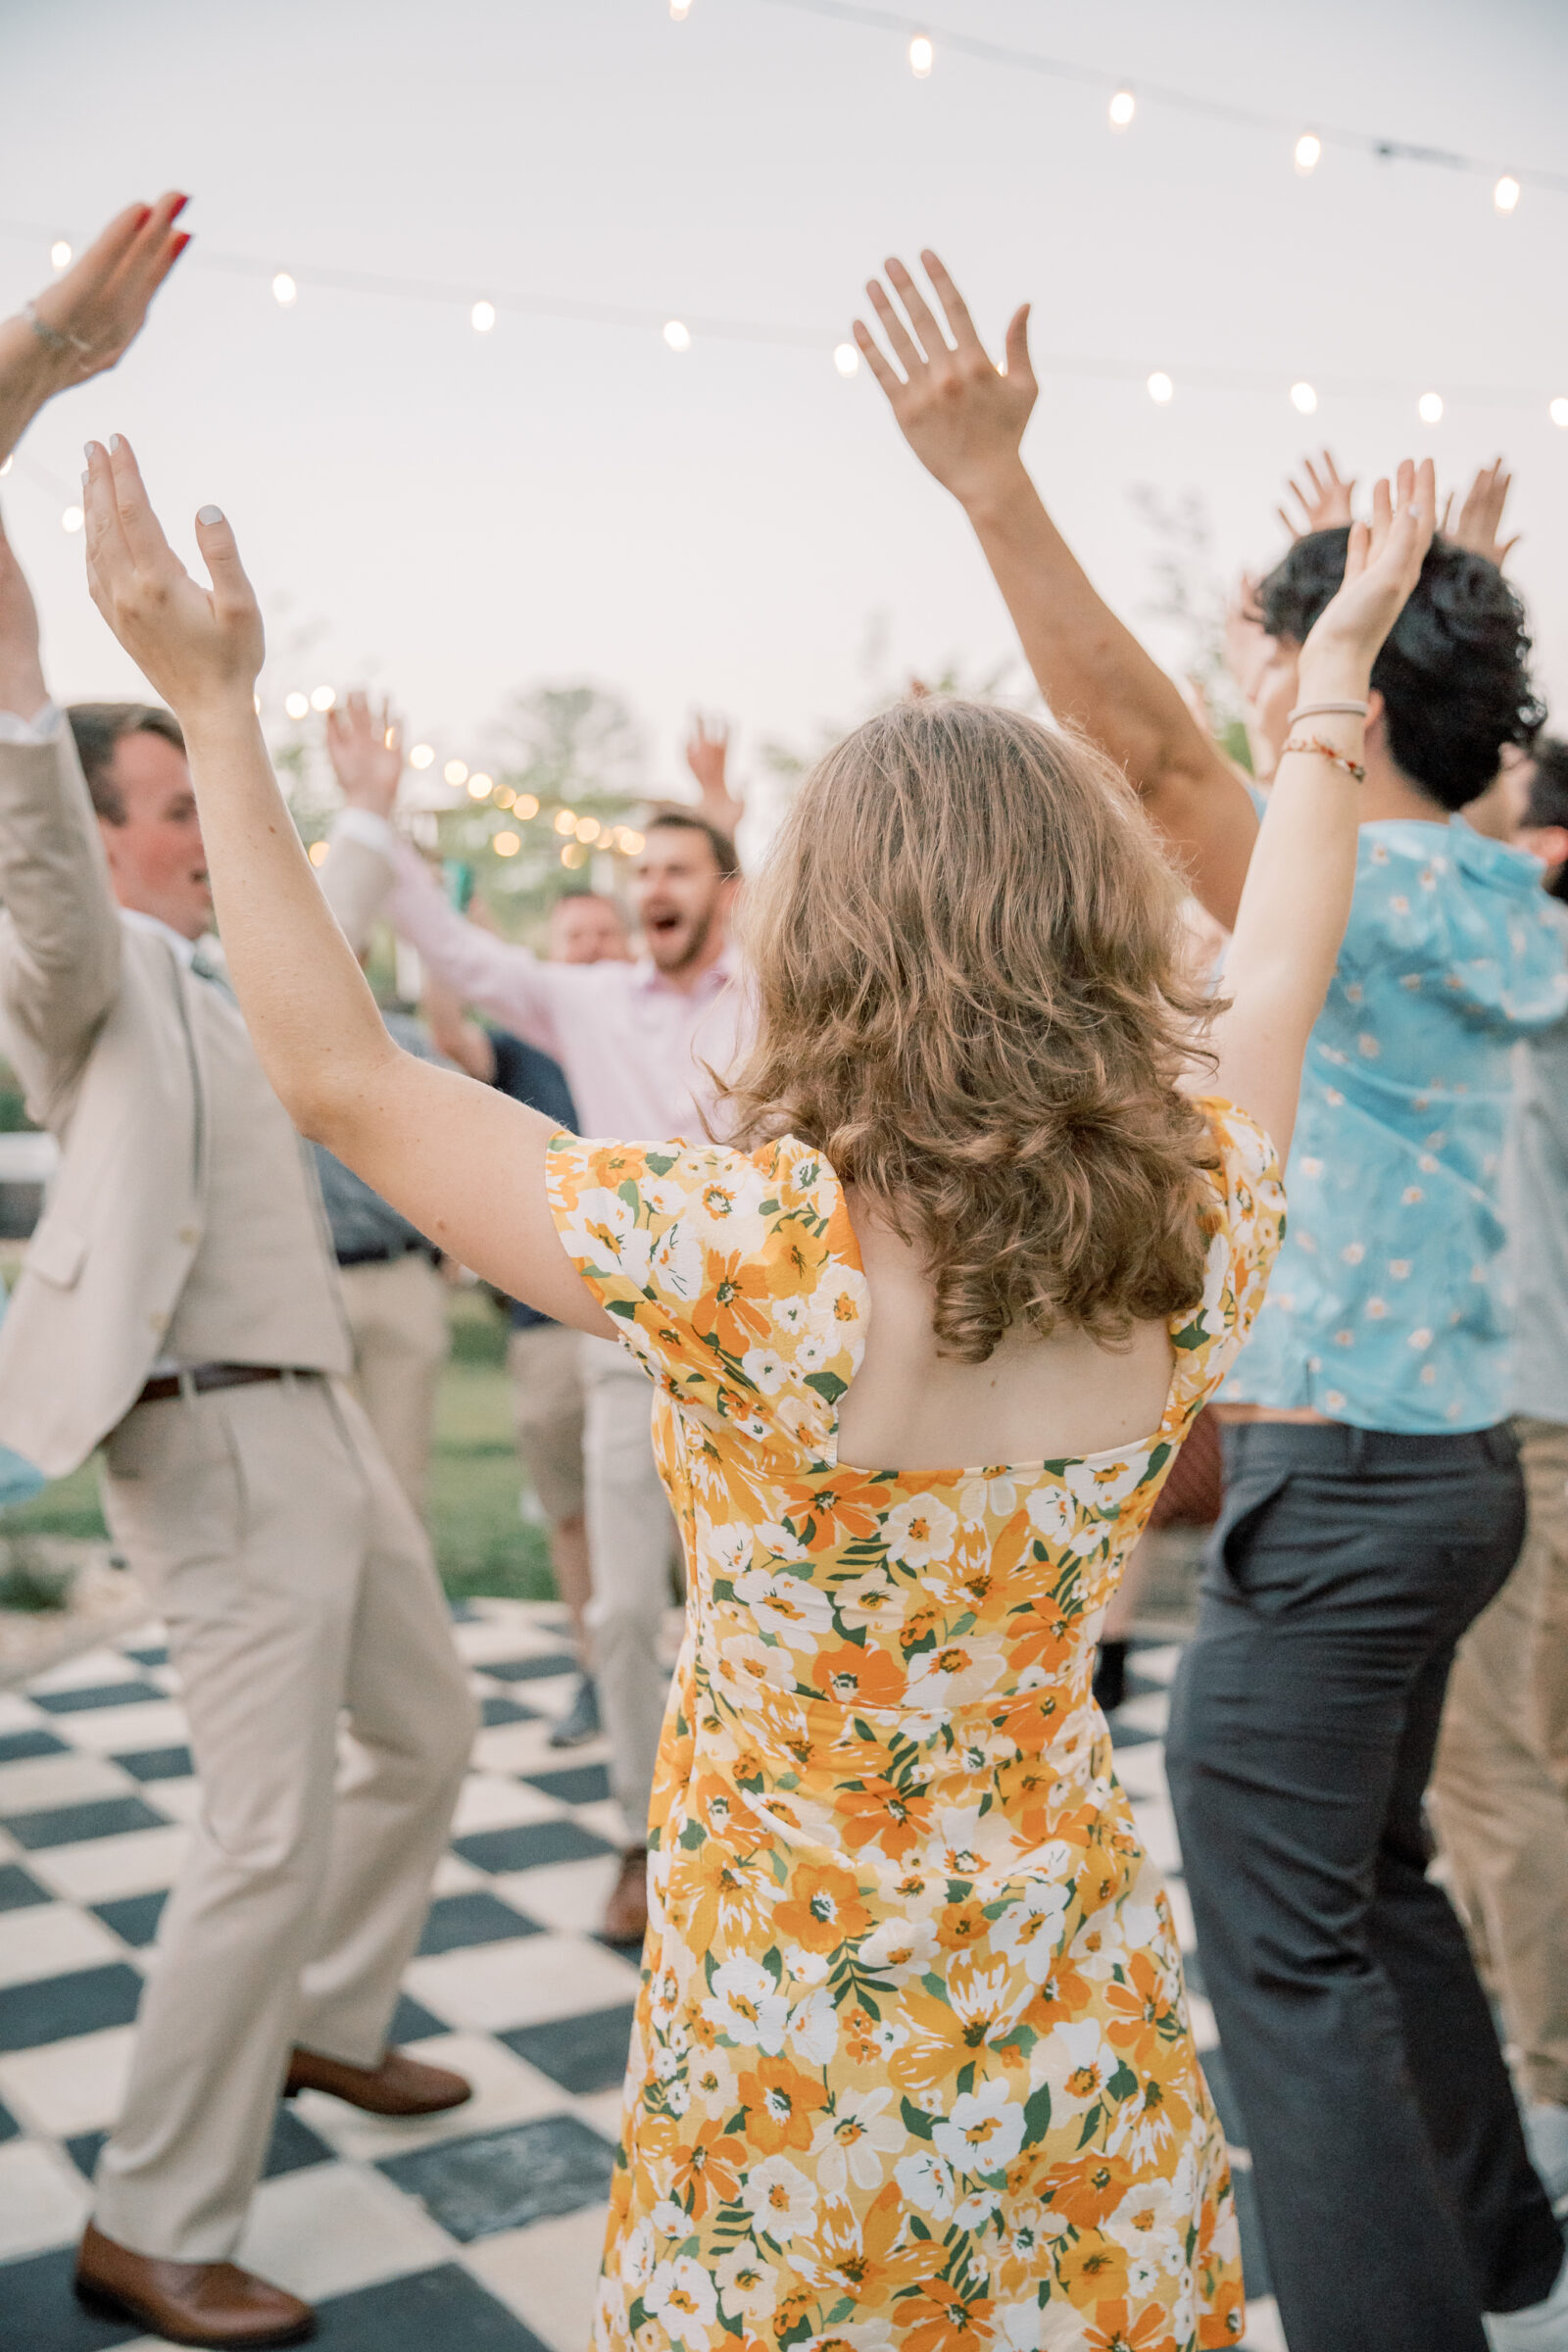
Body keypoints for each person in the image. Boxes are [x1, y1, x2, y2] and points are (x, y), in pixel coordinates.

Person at [80, 415, 1431, 2352]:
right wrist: (1324, 691)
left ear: (823, 939)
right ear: (1090, 922)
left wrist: (219, 713)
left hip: (785, 2044)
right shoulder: (1198, 1224)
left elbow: (345, 1079)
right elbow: (1287, 952)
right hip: (1065, 2011)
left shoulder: (737, 1260)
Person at [855, 249, 1568, 2350]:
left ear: (1318, 687)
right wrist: (1434, 610)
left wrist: (991, 490)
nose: (1242, 676)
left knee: (1276, 1943)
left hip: (1339, 1489)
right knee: (1366, 1884)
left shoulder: (1330, 891)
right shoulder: (1492, 893)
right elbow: (1320, 756)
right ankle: (1504, 2249)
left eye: (1263, 650)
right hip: (1449, 1482)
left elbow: (1134, 743)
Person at [0, 214, 475, 2352]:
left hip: (323, 1433)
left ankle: (320, 2022)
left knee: (432, 1732)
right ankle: (151, 2216)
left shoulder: (213, 964)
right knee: (259, 1827)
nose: (199, 830)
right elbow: (39, 842)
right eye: (172, 805)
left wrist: (344, 808)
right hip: (205, 1441)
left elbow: (319, 939)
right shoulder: (81, 980)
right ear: (102, 834)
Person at [321, 730, 746, 1945]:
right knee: (620, 1615)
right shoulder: (585, 999)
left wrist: (733, 821)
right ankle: (636, 1837)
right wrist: (377, 819)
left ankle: (758, 1828)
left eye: (680, 869)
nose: (652, 888)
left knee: (753, 1596)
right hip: (627, 1353)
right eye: (643, 871)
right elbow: (452, 953)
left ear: (722, 889)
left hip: (768, 1354)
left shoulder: (770, 979)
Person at [1430, 734, 1568, 2214]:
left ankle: (1545, 2099)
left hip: (1521, 1405)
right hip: (1545, 1399)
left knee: (1497, 1769)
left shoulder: (1527, 969)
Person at [421, 879, 634, 1752]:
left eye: (601, 933)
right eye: (572, 935)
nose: (589, 946)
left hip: (658, 1317)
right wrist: (452, 946)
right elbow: (447, 1036)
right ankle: (594, 1670)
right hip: (549, 1319)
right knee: (571, 1505)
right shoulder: (521, 1046)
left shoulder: (653, 1033)